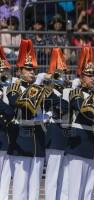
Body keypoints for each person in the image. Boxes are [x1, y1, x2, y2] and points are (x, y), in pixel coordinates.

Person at [6, 39, 46, 200]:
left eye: (33, 69)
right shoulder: (14, 87)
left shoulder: (38, 88)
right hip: (22, 137)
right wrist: (36, 84)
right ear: (20, 71)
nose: (32, 72)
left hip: (37, 137)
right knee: (21, 185)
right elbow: (19, 103)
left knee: (35, 185)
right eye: (28, 69)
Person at [64, 46, 94, 200]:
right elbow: (84, 109)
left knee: (88, 189)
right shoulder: (75, 93)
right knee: (75, 189)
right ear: (81, 77)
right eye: (89, 75)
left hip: (93, 144)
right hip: (79, 143)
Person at [44, 48, 69, 200]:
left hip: (66, 133)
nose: (62, 76)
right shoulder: (47, 92)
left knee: (65, 176)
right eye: (58, 72)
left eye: (63, 72)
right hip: (54, 132)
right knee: (53, 176)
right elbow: (64, 107)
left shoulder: (66, 91)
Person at [0, 45, 14, 200]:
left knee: (5, 177)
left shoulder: (5, 88)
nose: (3, 74)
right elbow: (7, 110)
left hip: (6, 137)